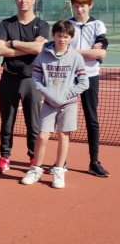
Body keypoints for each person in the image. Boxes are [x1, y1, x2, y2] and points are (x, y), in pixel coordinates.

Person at [21, 20, 88, 188]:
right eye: (59, 36)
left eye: (66, 37)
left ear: (71, 38)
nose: (62, 40)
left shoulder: (76, 58)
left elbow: (84, 83)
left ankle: (59, 171)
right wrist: (47, 94)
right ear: (53, 35)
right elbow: (36, 79)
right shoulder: (42, 56)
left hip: (69, 104)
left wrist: (67, 95)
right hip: (49, 104)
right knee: (42, 136)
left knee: (63, 136)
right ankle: (36, 169)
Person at [0, 0, 50, 173]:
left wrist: (14, 44)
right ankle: (5, 157)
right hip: (8, 79)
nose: (23, 0)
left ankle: (33, 158)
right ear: (15, 0)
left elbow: (40, 49)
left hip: (32, 80)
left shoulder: (41, 25)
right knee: (7, 122)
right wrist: (30, 47)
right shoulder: (6, 25)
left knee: (33, 123)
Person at [68, 0, 110, 177]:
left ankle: (94, 161)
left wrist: (75, 51)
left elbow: (101, 53)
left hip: (90, 77)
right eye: (76, 6)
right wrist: (88, 52)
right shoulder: (67, 25)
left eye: (82, 6)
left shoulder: (98, 25)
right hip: (70, 76)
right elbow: (64, 50)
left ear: (90, 5)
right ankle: (61, 162)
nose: (79, 9)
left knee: (91, 119)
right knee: (65, 118)